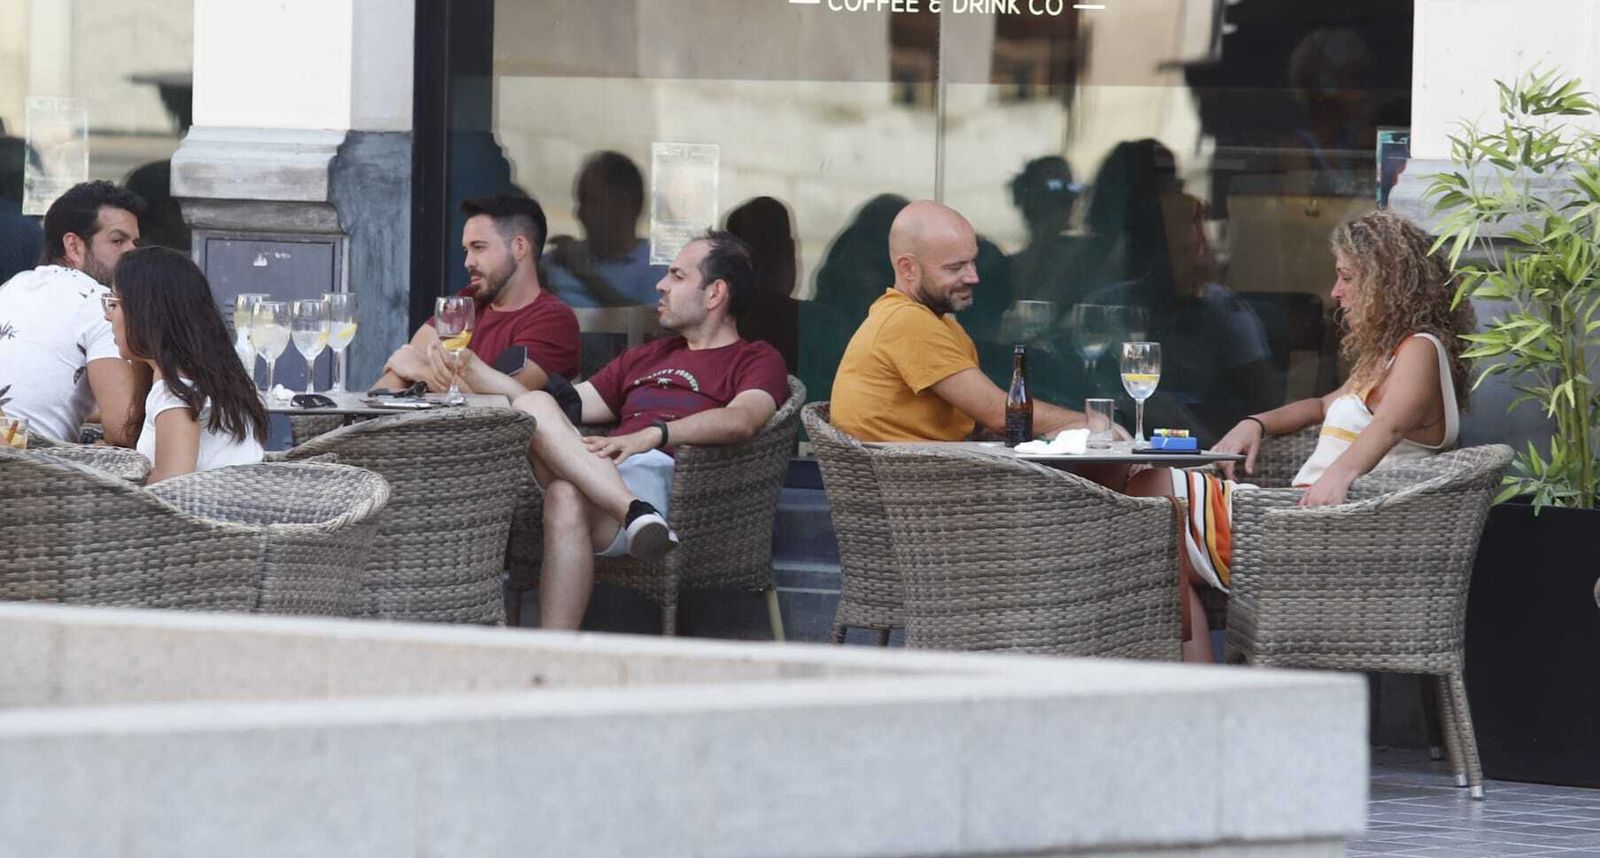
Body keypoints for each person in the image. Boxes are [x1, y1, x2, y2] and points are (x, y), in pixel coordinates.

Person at [1125, 210, 1475, 662]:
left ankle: (1197, 685)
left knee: (1149, 496)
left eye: (1347, 277)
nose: (1335, 292)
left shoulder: (1421, 350)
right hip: (1300, 529)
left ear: (1385, 281)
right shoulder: (1386, 358)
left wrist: (1339, 475)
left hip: (1322, 543)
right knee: (1152, 527)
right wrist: (1258, 423)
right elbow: (1319, 407)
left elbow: (1390, 425)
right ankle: (1197, 683)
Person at [453, 231, 789, 630]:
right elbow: (561, 411)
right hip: (608, 469)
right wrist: (476, 371)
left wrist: (654, 434)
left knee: (563, 495)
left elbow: (741, 421)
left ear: (715, 293)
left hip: (671, 481)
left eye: (677, 277)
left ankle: (550, 658)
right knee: (533, 404)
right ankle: (633, 513)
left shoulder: (755, 359)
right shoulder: (647, 356)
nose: (661, 285)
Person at [829, 200, 1089, 442]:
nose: (974, 277)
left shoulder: (942, 324)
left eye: (972, 262)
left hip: (938, 475)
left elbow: (978, 424)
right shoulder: (906, 321)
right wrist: (1091, 424)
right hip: (912, 485)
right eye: (955, 268)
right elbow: (1000, 414)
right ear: (908, 268)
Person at [375, 193, 580, 393]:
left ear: (519, 247)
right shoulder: (467, 301)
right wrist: (412, 369)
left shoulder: (553, 320)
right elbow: (395, 378)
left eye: (479, 247)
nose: (468, 262)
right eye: (467, 250)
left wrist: (420, 371)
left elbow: (497, 402)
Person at [0, 180, 145, 445]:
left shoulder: (13, 286)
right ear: (74, 246)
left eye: (134, 242)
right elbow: (124, 430)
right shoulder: (100, 304)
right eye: (117, 240)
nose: (132, 252)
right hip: (24, 472)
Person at [104, 247, 266, 481]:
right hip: (238, 510)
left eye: (114, 303)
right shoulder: (208, 379)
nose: (107, 315)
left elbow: (173, 485)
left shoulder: (175, 391)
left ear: (145, 312)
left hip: (200, 516)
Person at [544, 151, 667, 308]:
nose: (581, 214)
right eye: (581, 202)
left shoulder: (657, 270)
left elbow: (647, 326)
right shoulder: (558, 262)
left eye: (592, 202)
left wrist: (587, 276)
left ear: (629, 205)